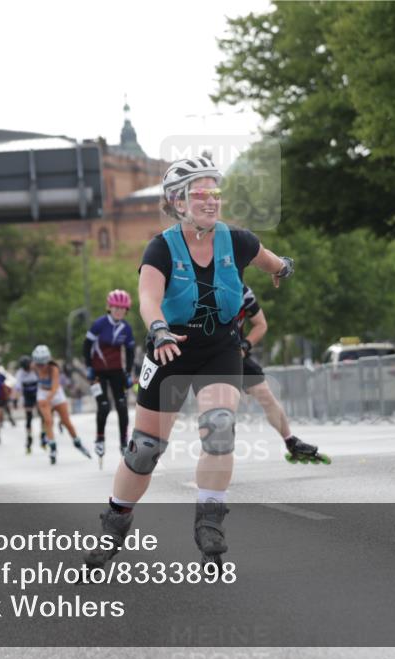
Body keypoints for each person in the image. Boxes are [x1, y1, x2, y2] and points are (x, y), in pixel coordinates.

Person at [84, 156, 295, 569]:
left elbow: (272, 260)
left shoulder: (237, 240)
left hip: (219, 347)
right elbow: (148, 298)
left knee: (218, 428)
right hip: (171, 347)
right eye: (200, 193)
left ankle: (209, 521)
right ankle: (114, 523)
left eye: (215, 191)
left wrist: (284, 269)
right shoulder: (161, 247)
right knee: (145, 449)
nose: (211, 200)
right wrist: (158, 328)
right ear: (177, 202)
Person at [235, 284, 329, 464]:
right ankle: (215, 454)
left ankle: (290, 441)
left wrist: (245, 345)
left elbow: (261, 324)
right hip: (209, 355)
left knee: (266, 396)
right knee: (221, 406)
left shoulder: (243, 292)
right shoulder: (203, 286)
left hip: (235, 352)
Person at [84, 289, 137, 465]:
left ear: (126, 310)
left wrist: (128, 373)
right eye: (115, 308)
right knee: (104, 406)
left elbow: (130, 352)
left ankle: (123, 442)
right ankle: (100, 439)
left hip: (116, 372)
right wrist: (89, 367)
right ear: (109, 307)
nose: (118, 311)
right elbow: (86, 346)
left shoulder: (126, 328)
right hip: (98, 372)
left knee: (122, 406)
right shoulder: (99, 324)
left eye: (122, 309)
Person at [32, 344, 89, 464]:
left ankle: (77, 442)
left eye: (42, 364)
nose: (40, 367)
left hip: (56, 394)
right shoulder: (34, 366)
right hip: (42, 392)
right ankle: (52, 446)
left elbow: (54, 387)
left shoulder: (54, 369)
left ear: (47, 361)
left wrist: (50, 400)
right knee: (48, 421)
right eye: (38, 364)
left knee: (66, 422)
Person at [14, 355, 43, 454]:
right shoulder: (20, 373)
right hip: (27, 396)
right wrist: (15, 399)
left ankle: (43, 433)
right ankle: (29, 437)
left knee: (42, 415)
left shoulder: (35, 370)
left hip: (37, 394)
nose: (31, 366)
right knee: (29, 418)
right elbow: (17, 387)